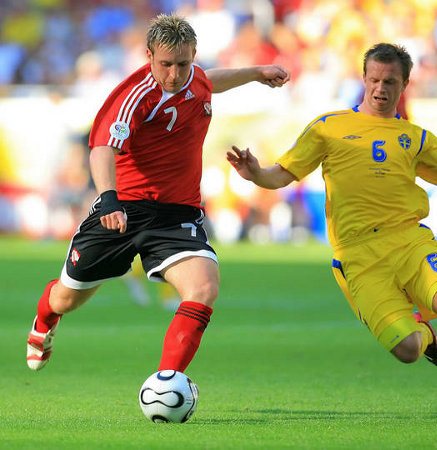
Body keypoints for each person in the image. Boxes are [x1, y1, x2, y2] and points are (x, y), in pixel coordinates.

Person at [227, 43, 437, 416]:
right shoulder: (328, 128)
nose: (380, 88)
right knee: (406, 350)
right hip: (358, 257)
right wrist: (255, 172)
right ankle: (428, 337)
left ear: (404, 84)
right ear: (364, 79)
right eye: (374, 79)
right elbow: (282, 175)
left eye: (390, 81)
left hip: (410, 240)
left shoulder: (415, 137)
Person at [26, 14, 289, 376]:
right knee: (67, 298)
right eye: (165, 64)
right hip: (122, 210)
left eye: (183, 63)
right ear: (148, 55)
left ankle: (167, 382)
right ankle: (45, 320)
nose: (174, 74)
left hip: (176, 214)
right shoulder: (135, 96)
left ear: (194, 54)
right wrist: (108, 199)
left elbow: (209, 81)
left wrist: (257, 72)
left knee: (204, 287)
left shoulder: (195, 78)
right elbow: (103, 149)